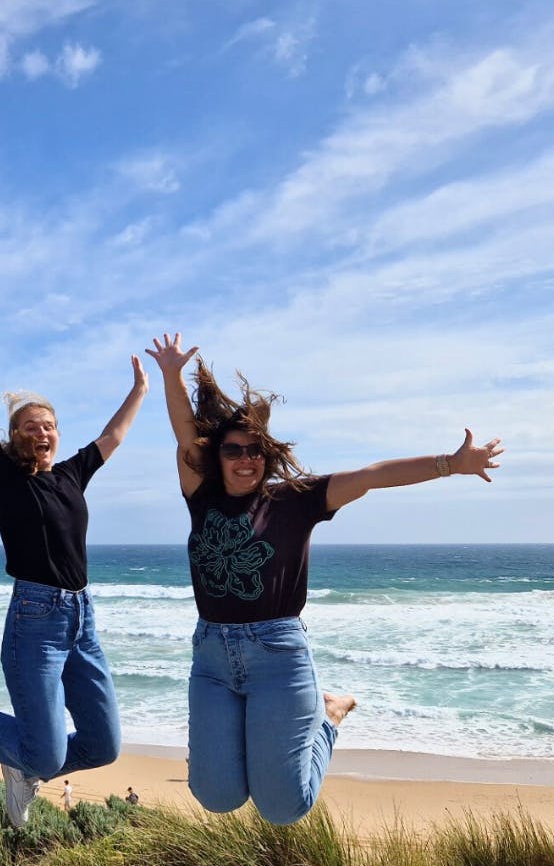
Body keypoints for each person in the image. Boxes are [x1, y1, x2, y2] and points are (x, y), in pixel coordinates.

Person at [144, 331, 503, 826]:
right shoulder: (200, 494)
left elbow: (373, 474)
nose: (245, 459)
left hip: (278, 653)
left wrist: (450, 464)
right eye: (233, 451)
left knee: (283, 808)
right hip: (211, 657)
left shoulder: (297, 498)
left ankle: (329, 716)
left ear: (267, 454)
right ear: (218, 455)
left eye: (255, 450)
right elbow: (186, 435)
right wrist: (170, 375)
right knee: (216, 797)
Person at [0, 317, 148, 827]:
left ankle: (22, 764)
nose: (42, 431)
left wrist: (141, 388)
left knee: (104, 745)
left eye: (49, 425)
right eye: (31, 426)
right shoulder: (4, 476)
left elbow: (113, 435)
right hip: (35, 621)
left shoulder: (71, 475)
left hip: (83, 620)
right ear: (16, 437)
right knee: (45, 753)